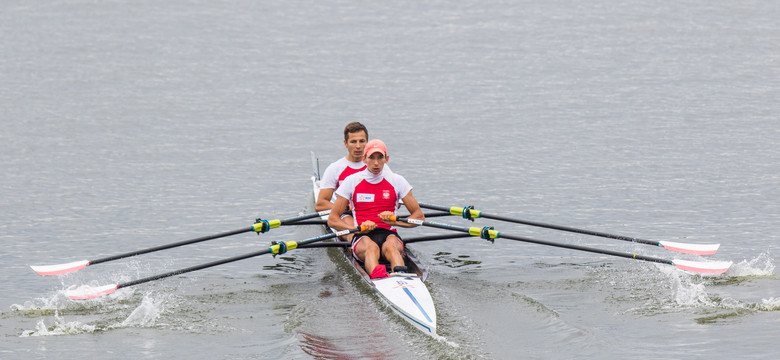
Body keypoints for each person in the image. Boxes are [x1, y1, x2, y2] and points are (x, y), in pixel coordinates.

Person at [327, 139, 424, 279]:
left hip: (390, 234)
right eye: (371, 157)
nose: (376, 162)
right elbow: (332, 220)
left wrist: (395, 221)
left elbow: (419, 217)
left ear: (387, 159)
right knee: (371, 247)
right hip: (362, 236)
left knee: (391, 246)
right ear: (364, 159)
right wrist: (358, 228)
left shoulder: (397, 181)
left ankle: (402, 277)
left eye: (380, 157)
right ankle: (378, 277)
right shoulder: (352, 181)